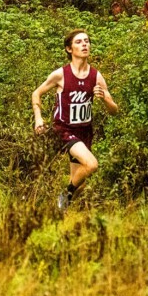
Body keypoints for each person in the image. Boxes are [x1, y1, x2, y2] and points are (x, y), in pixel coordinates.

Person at [31, 29, 119, 210]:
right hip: (64, 130)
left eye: (87, 41)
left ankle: (59, 213)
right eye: (79, 42)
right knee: (92, 164)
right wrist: (38, 118)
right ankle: (64, 196)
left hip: (84, 132)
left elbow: (114, 110)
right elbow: (36, 93)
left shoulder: (96, 76)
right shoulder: (61, 74)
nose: (84, 44)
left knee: (80, 183)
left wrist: (104, 98)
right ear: (69, 49)